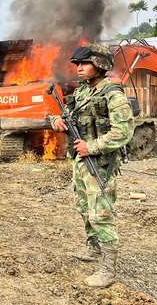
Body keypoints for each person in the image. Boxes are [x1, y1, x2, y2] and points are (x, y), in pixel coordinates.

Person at [48, 43, 134, 289]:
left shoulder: (112, 94)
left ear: (100, 65)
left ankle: (108, 270)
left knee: (101, 213)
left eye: (84, 64)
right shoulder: (84, 92)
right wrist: (57, 121)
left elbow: (124, 131)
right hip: (81, 161)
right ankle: (93, 249)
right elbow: (68, 116)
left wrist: (92, 146)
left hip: (100, 163)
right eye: (77, 64)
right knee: (84, 207)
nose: (78, 68)